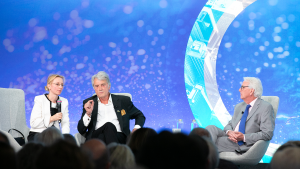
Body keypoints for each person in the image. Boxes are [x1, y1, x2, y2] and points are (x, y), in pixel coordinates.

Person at [206, 77, 275, 153]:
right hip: (231, 137)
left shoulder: (265, 107)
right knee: (211, 128)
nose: (239, 90)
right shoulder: (239, 106)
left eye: (242, 87)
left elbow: (267, 134)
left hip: (242, 143)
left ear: (251, 91)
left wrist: (243, 137)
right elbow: (230, 124)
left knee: (208, 142)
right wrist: (229, 132)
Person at [77, 71, 146, 144]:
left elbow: (140, 115)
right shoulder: (89, 103)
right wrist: (88, 114)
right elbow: (81, 130)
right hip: (96, 137)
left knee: (107, 129)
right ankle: (116, 153)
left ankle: (108, 152)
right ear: (94, 88)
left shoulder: (123, 101)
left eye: (103, 85)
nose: (100, 89)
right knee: (108, 126)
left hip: (118, 137)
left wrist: (136, 128)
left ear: (109, 86)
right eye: (97, 86)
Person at [28, 74, 70, 142]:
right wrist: (52, 118)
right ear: (49, 85)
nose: (60, 87)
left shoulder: (64, 101)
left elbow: (65, 123)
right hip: (38, 134)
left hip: (54, 136)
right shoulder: (39, 99)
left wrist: (66, 138)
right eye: (57, 84)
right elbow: (33, 123)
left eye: (62, 85)